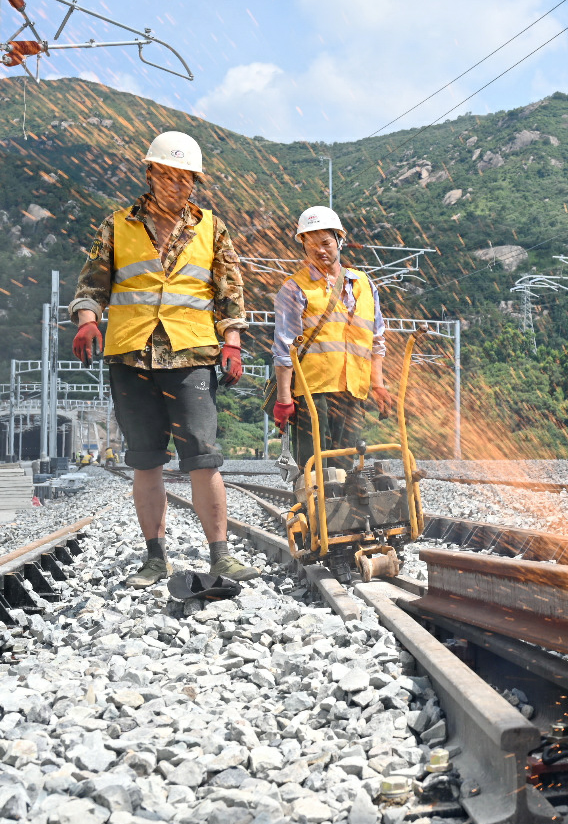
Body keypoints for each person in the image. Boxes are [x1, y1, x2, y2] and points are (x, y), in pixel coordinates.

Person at [68, 131, 259, 587]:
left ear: (195, 182)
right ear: (150, 173)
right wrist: (86, 320)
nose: (178, 186)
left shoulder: (212, 227)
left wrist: (231, 340)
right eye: (169, 176)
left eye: (186, 179)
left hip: (191, 353)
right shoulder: (117, 225)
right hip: (131, 354)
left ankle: (221, 556)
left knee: (203, 457)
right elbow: (91, 283)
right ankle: (155, 558)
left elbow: (229, 292)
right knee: (146, 459)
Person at [270, 206, 391, 475]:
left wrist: (378, 384)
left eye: (325, 243)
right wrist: (284, 398)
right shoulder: (294, 288)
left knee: (346, 464)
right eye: (311, 245)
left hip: (353, 389)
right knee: (315, 467)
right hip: (313, 392)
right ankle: (312, 516)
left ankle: (343, 516)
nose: (320, 250)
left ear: (339, 240)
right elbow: (284, 349)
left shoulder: (365, 284)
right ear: (303, 247)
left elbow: (376, 340)